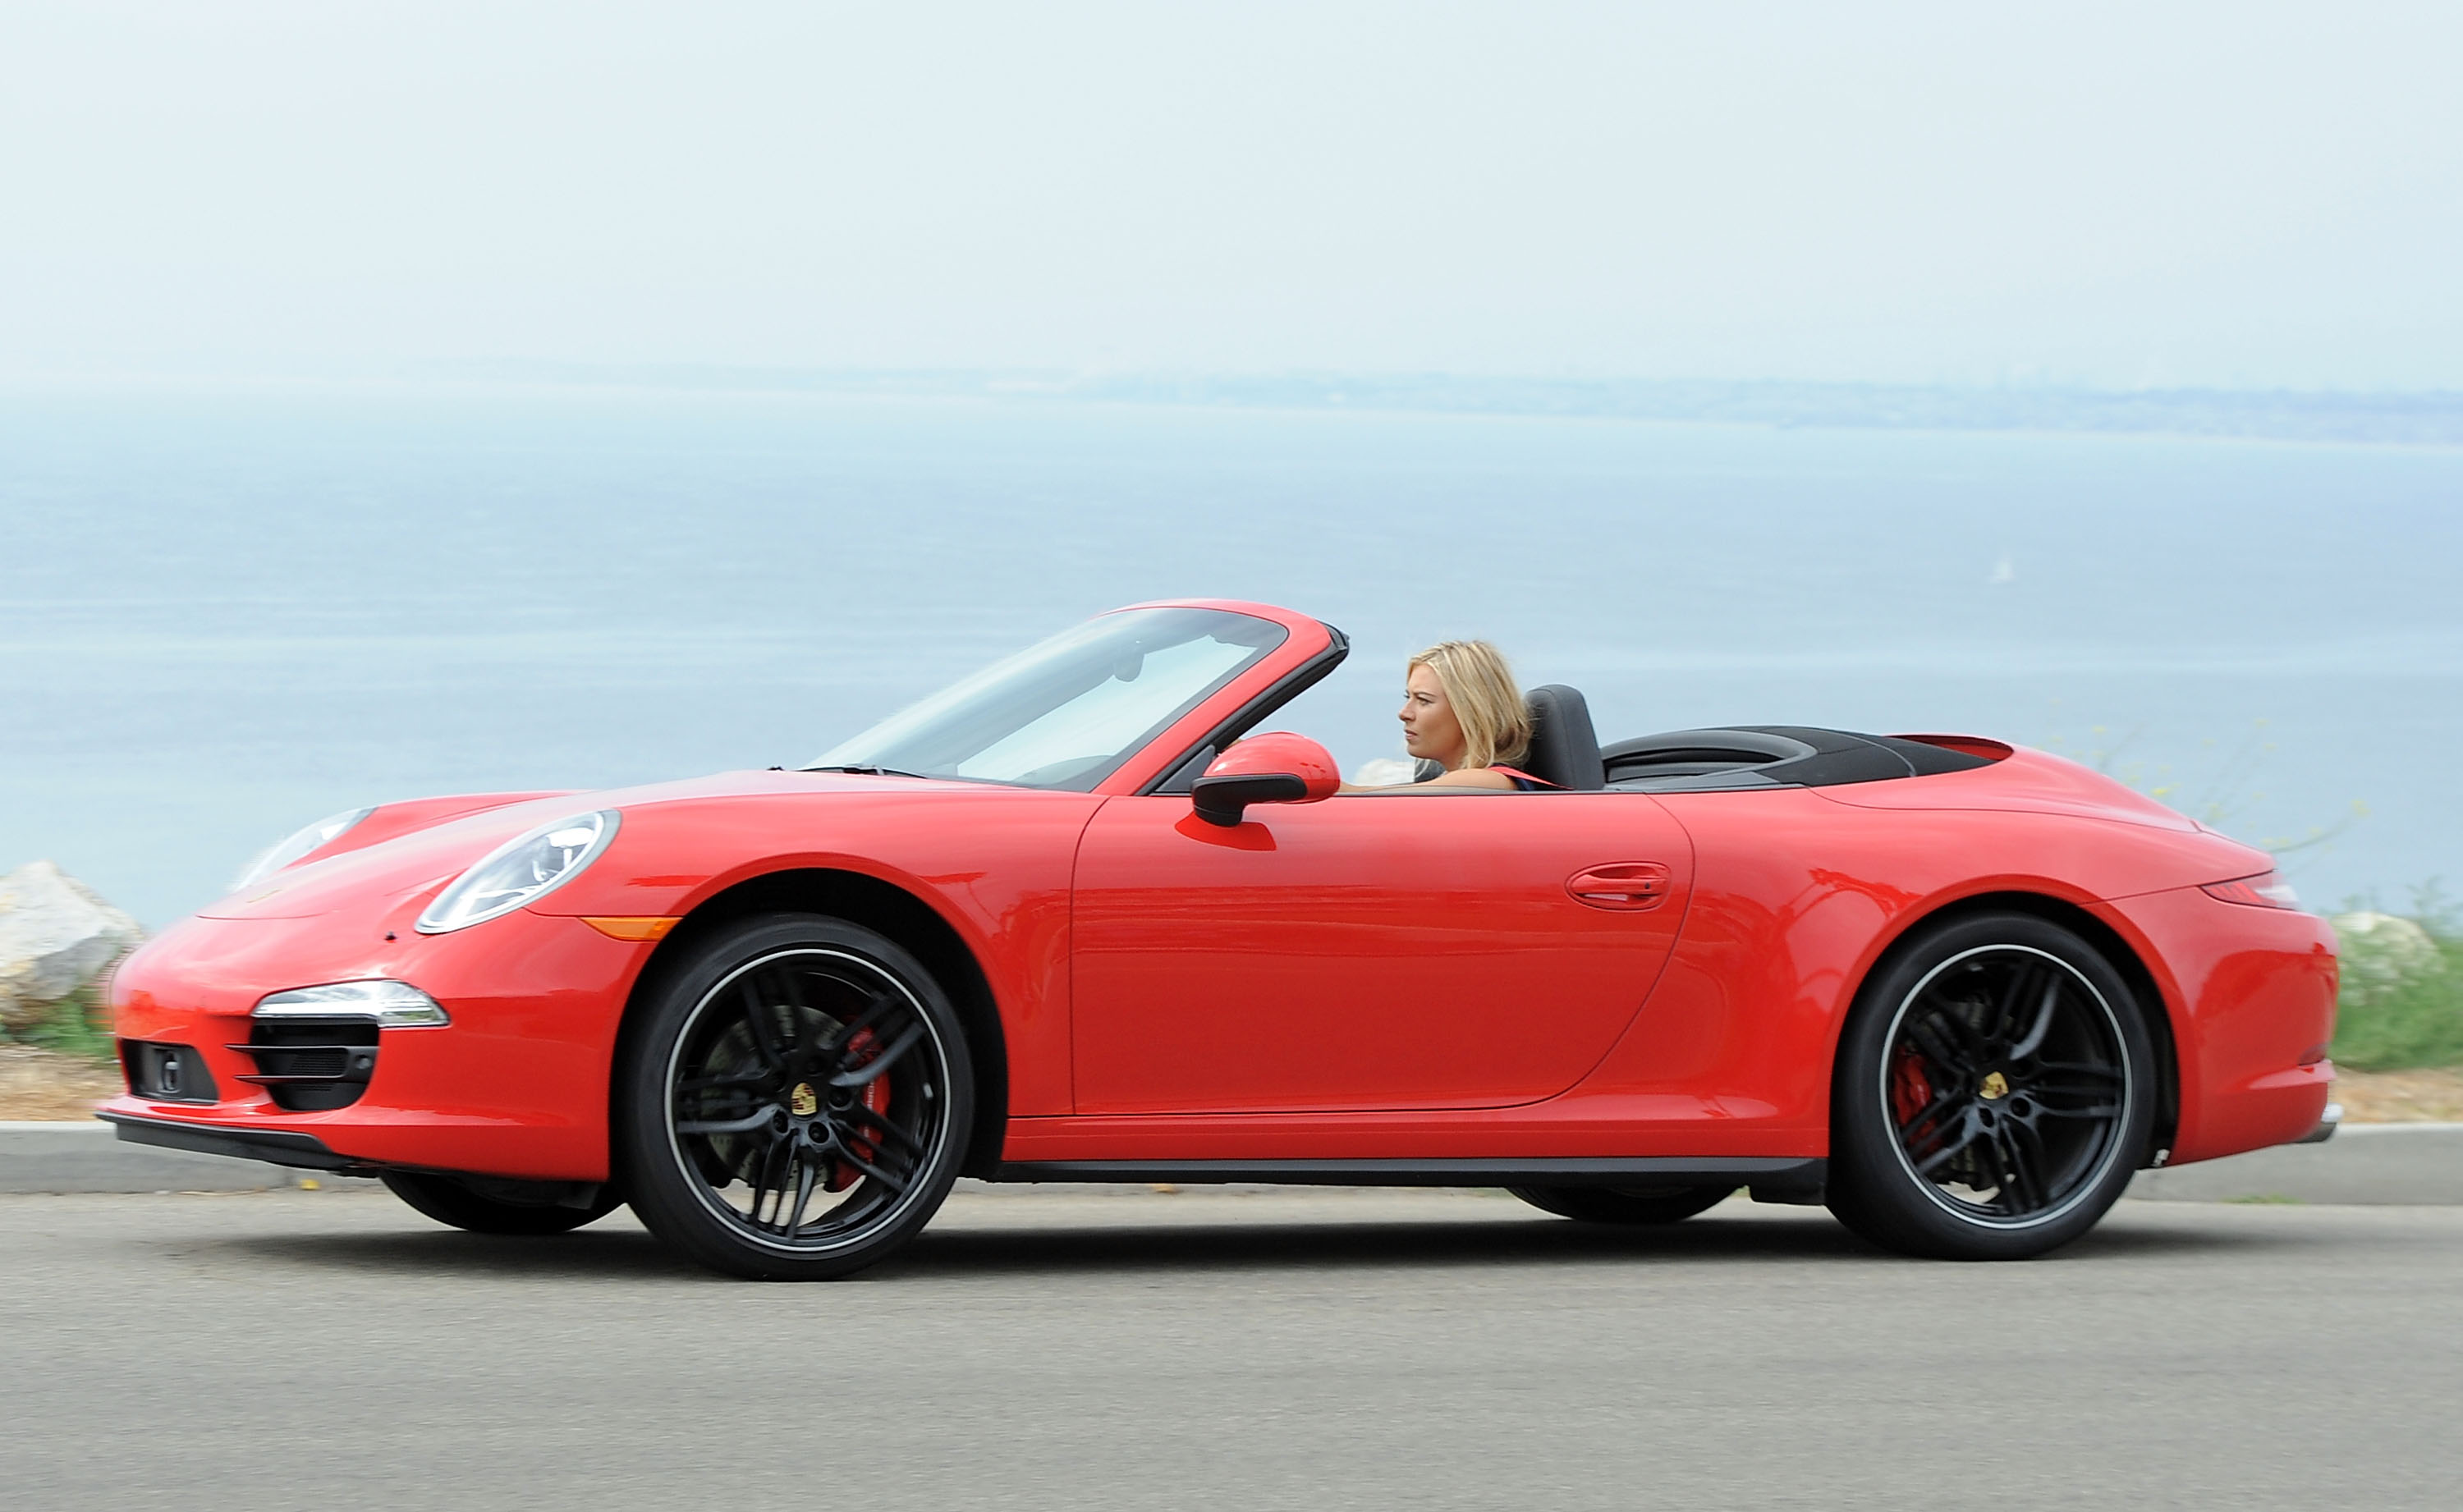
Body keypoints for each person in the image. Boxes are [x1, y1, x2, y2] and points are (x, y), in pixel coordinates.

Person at [1346, 639, 1550, 793]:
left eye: (1423, 700)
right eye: (1408, 697)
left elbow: (1366, 800)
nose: (1404, 713)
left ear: (1470, 712)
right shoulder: (1457, 782)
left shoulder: (1490, 783)